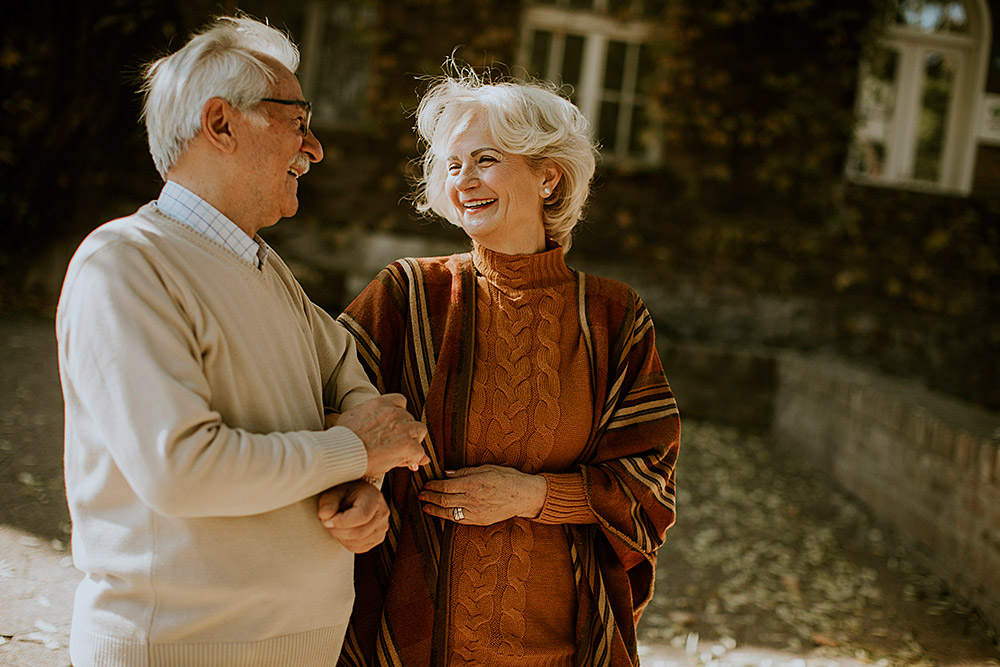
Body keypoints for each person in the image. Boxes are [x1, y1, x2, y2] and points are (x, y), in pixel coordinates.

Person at [56, 15, 428, 667]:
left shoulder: (262, 264)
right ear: (221, 123)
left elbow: (346, 375)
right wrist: (352, 448)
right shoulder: (123, 264)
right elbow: (183, 470)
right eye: (298, 119)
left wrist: (362, 478)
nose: (314, 148)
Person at [321, 67, 681, 667]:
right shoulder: (409, 295)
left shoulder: (612, 316)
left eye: (485, 159)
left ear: (549, 175)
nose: (464, 181)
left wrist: (533, 495)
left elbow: (649, 484)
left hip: (563, 644)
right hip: (411, 639)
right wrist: (357, 481)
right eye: (453, 165)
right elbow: (319, 414)